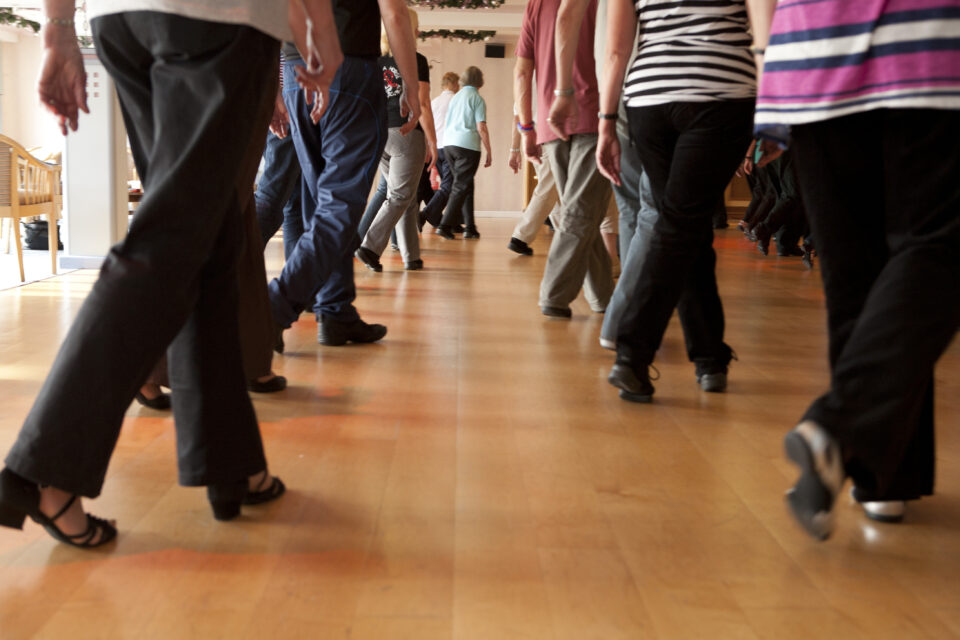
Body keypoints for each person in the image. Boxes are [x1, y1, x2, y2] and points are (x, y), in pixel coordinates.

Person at [0, 0, 338, 547]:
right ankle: (44, 472)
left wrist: (57, 28)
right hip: (222, 20)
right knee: (170, 238)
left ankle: (230, 465)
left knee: (207, 238)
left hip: (121, 20)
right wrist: (321, 29)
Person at [750, 0, 960, 540]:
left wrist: (768, 57)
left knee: (854, 274)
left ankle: (879, 474)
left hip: (813, 52)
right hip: (933, 41)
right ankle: (841, 428)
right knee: (937, 243)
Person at [596, 0, 756, 402]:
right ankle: (632, 353)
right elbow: (763, 33)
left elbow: (616, 50)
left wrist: (607, 121)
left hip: (649, 101)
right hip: (720, 93)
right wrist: (773, 109)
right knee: (682, 223)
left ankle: (710, 358)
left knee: (685, 224)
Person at [268, 0, 420, 348]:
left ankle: (335, 311)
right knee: (338, 205)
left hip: (294, 72)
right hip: (347, 69)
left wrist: (274, 86)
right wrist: (410, 85)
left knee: (319, 199)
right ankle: (272, 308)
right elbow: (394, 13)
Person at [515, 0, 613, 319]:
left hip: (549, 121)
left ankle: (604, 298)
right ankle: (554, 294)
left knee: (577, 210)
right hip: (596, 114)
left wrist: (526, 127)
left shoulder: (536, 4)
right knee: (580, 211)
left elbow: (521, 72)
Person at [356, 11, 437, 272]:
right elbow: (422, 103)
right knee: (401, 196)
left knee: (406, 197)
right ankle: (369, 247)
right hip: (406, 134)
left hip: (380, 134)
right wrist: (433, 142)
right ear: (411, 29)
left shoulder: (376, 61)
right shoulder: (416, 60)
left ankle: (411, 256)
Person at [435, 66, 492, 240]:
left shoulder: (455, 97)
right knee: (461, 186)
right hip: (467, 147)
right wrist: (489, 151)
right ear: (480, 82)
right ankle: (444, 225)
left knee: (465, 185)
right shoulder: (477, 98)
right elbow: (481, 127)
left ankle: (470, 227)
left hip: (449, 145)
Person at [506, 111, 560, 257]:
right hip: (548, 137)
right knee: (549, 187)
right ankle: (520, 237)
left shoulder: (523, 90)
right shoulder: (545, 87)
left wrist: (515, 149)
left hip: (531, 138)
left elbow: (516, 117)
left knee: (554, 190)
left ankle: (565, 237)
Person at [420, 72, 460, 230]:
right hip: (451, 147)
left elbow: (427, 125)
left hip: (436, 148)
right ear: (454, 84)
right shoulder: (456, 101)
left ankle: (452, 221)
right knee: (449, 187)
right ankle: (425, 214)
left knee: (451, 186)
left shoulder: (434, 102)